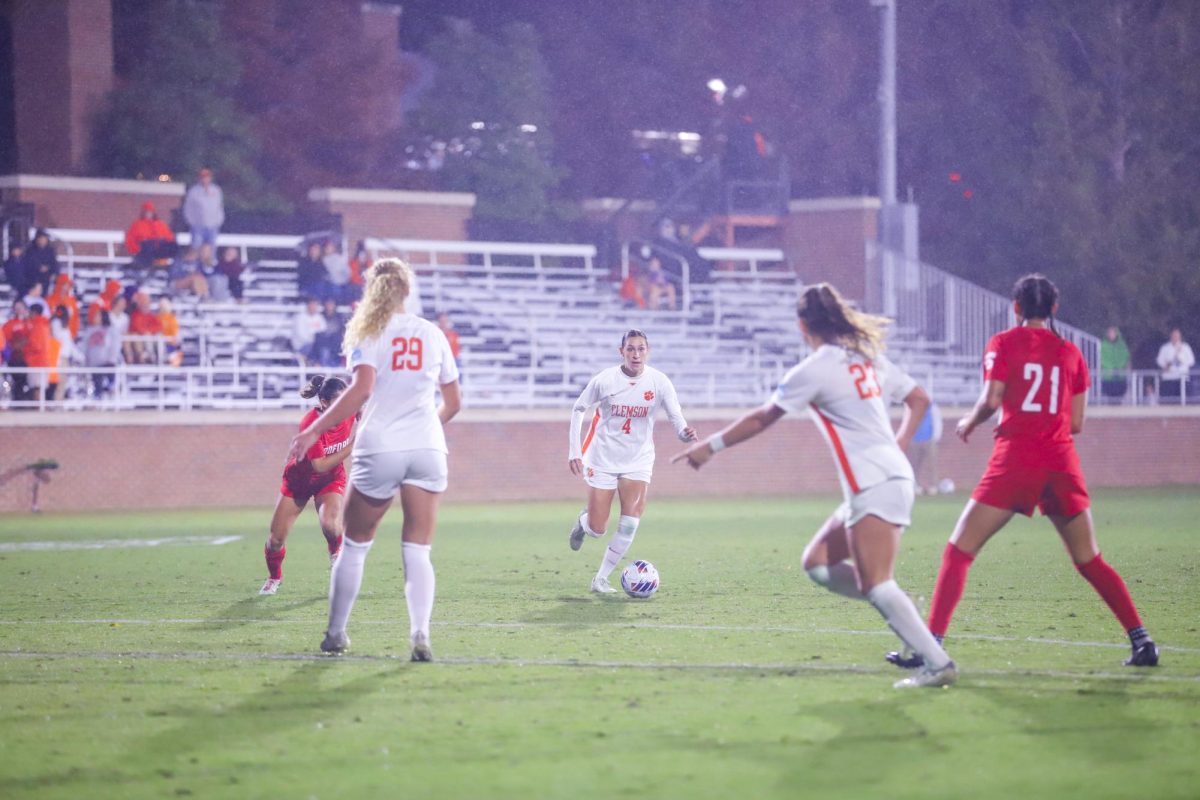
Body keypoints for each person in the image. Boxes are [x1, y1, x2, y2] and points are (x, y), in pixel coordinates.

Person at [672, 283, 958, 689]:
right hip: (886, 476)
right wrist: (900, 443)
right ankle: (903, 608)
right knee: (818, 562)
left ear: (802, 326)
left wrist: (710, 447)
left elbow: (763, 417)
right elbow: (919, 399)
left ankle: (937, 663)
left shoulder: (816, 368)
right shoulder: (866, 358)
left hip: (873, 480)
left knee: (876, 582)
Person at [892, 274, 1159, 673]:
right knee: (1089, 560)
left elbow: (993, 397)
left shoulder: (1003, 343)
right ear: (1054, 309)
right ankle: (1143, 641)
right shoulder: (1072, 353)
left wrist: (970, 421)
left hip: (1016, 460)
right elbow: (1077, 423)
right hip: (1061, 462)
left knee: (959, 551)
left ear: (1016, 307)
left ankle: (932, 648)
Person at [286, 259, 461, 660]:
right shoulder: (433, 333)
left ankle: (335, 633)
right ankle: (420, 635)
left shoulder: (368, 331)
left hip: (379, 445)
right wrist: (422, 430)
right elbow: (453, 403)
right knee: (418, 550)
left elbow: (361, 389)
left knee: (354, 547)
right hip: (427, 447)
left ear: (372, 290)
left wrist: (314, 429)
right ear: (406, 290)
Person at [567, 329, 698, 593]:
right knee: (598, 529)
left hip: (637, 461)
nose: (636, 354)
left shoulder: (659, 382)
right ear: (622, 352)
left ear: (647, 351)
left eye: (641, 349)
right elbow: (579, 408)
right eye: (630, 349)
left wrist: (685, 434)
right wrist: (575, 451)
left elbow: (676, 418)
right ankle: (584, 524)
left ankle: (600, 579)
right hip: (602, 458)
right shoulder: (605, 380)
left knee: (630, 522)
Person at [261, 375, 356, 596]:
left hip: (331, 479)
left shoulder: (351, 409)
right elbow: (319, 465)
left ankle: (335, 555)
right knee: (275, 540)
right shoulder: (310, 423)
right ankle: (274, 577)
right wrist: (353, 445)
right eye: (338, 403)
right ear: (324, 403)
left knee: (331, 525)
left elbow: (371, 411)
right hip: (300, 481)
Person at [182, 167, 225, 256]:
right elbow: (188, 209)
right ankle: (194, 267)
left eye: (207, 177)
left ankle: (209, 267)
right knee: (196, 247)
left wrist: (219, 221)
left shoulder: (216, 190)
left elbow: (220, 207)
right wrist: (192, 222)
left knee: (212, 249)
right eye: (203, 177)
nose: (205, 179)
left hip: (213, 226)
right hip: (198, 226)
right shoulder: (193, 191)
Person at [124, 202, 177, 270]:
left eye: (150, 212)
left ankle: (171, 269)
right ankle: (149, 269)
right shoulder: (137, 225)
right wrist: (136, 250)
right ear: (143, 213)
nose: (148, 214)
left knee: (174, 247)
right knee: (148, 246)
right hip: (145, 249)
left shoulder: (161, 224)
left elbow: (169, 238)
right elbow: (130, 240)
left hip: (159, 249)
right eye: (146, 212)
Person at [84, 310, 122, 398]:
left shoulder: (110, 330)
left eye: (97, 316)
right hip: (94, 363)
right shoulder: (89, 331)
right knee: (97, 386)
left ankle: (111, 395)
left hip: (107, 362)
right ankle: (98, 399)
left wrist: (111, 359)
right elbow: (85, 346)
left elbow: (115, 345)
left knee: (110, 384)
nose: (95, 318)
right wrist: (86, 361)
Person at [2, 299, 32, 402]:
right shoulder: (10, 324)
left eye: (21, 307)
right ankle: (18, 402)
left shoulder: (31, 322)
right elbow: (5, 341)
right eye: (16, 308)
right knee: (18, 381)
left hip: (31, 358)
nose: (18, 310)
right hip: (17, 358)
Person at [23, 302, 52, 403]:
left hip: (37, 362)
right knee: (39, 387)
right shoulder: (44, 324)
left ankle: (38, 409)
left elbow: (36, 345)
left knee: (37, 387)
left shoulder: (37, 326)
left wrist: (25, 348)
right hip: (42, 361)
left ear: (34, 312)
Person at [1156, 328, 1194, 402]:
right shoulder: (1165, 348)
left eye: (1177, 335)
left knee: (1183, 401)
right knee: (1168, 401)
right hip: (1168, 378)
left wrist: (1180, 358)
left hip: (1182, 378)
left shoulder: (1185, 347)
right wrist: (1166, 365)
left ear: (1180, 336)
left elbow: (1191, 361)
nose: (1175, 337)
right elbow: (1159, 361)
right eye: (1174, 335)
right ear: (1171, 336)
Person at [21, 229, 59, 295]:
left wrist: (51, 270)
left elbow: (54, 263)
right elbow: (28, 263)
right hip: (33, 277)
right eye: (41, 239)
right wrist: (39, 267)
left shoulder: (50, 251)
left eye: (44, 239)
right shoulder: (30, 250)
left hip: (46, 277)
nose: (42, 241)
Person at [311, 298, 347, 368]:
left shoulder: (339, 317)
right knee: (319, 340)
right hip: (323, 341)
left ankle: (335, 364)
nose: (329, 306)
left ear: (335, 305)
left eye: (331, 304)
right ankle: (322, 364)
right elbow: (319, 330)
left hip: (336, 342)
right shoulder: (320, 316)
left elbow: (342, 331)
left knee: (337, 340)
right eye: (328, 304)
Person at [1098, 326, 1130, 403]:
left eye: (1113, 333)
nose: (1111, 335)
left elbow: (1125, 357)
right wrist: (1111, 368)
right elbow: (1103, 359)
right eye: (1110, 333)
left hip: (1121, 377)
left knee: (1119, 398)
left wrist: (1119, 367)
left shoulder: (1122, 345)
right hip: (1108, 377)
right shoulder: (1104, 345)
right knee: (1110, 399)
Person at [291, 297, 326, 364]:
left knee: (325, 349)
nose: (313, 307)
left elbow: (323, 331)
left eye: (315, 305)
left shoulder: (320, 317)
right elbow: (301, 335)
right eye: (312, 305)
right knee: (316, 349)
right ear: (308, 305)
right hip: (302, 346)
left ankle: (321, 367)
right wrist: (314, 340)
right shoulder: (300, 318)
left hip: (317, 345)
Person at [45, 274, 80, 339]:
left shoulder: (72, 301)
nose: (67, 287)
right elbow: (46, 318)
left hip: (68, 335)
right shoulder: (49, 300)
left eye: (68, 285)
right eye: (65, 284)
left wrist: (74, 333)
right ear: (60, 284)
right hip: (52, 335)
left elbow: (76, 318)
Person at [157, 297, 183, 367]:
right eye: (162, 305)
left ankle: (174, 365)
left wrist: (170, 339)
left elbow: (174, 332)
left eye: (165, 305)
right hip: (160, 341)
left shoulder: (172, 318)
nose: (163, 307)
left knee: (175, 349)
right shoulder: (157, 317)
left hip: (170, 341)